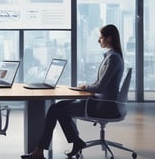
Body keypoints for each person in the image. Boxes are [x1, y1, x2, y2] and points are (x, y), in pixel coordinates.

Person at [21, 24, 124, 159]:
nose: (99, 41)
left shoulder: (113, 58)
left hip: (102, 105)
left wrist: (86, 87)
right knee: (59, 107)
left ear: (109, 38)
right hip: (98, 101)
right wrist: (86, 86)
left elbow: (100, 87)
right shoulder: (112, 57)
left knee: (55, 109)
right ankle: (74, 142)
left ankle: (40, 152)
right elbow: (101, 84)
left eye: (101, 38)